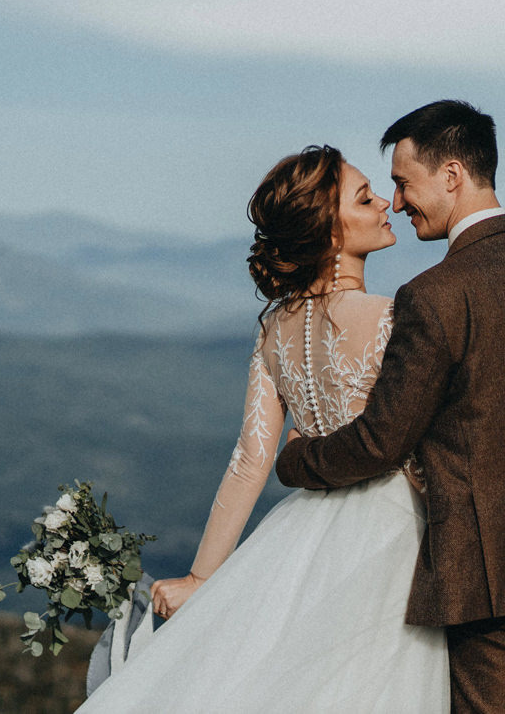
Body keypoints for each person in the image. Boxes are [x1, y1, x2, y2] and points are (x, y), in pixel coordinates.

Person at [277, 100, 505, 714]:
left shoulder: (433, 296)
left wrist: (298, 461)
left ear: (451, 175)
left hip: (489, 578)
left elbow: (380, 442)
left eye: (402, 182)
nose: (396, 202)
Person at [78, 144, 450, 713]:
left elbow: (250, 461)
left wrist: (203, 577)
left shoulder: (273, 329)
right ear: (329, 234)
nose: (386, 205)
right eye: (365, 197)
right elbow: (419, 446)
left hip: (302, 533)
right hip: (393, 537)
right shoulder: (392, 317)